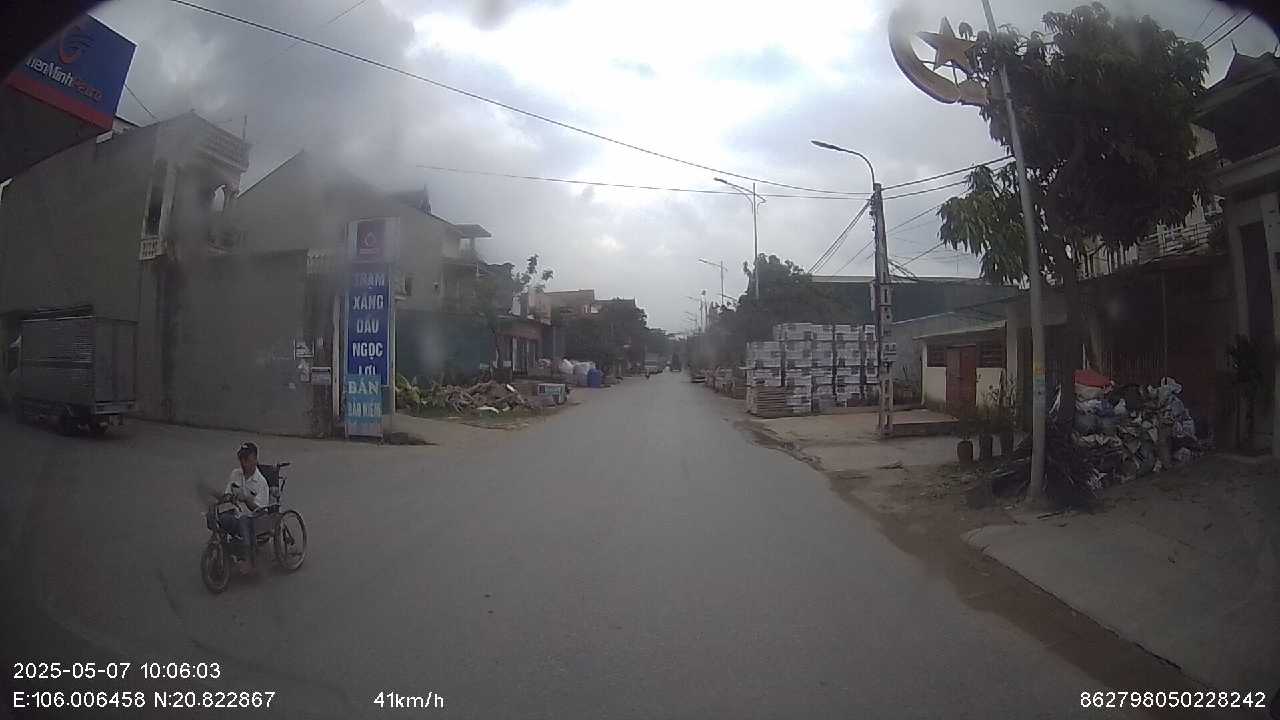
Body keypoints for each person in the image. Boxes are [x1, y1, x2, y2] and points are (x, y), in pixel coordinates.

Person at [218, 442, 270, 564]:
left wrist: (246, 499)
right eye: (241, 458)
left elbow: (261, 510)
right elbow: (227, 493)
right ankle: (223, 550)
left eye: (246, 459)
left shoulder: (261, 482)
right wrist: (227, 497)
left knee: (243, 521)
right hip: (235, 514)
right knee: (217, 518)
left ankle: (248, 560)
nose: (243, 462)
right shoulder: (235, 474)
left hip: (253, 520)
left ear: (255, 460)